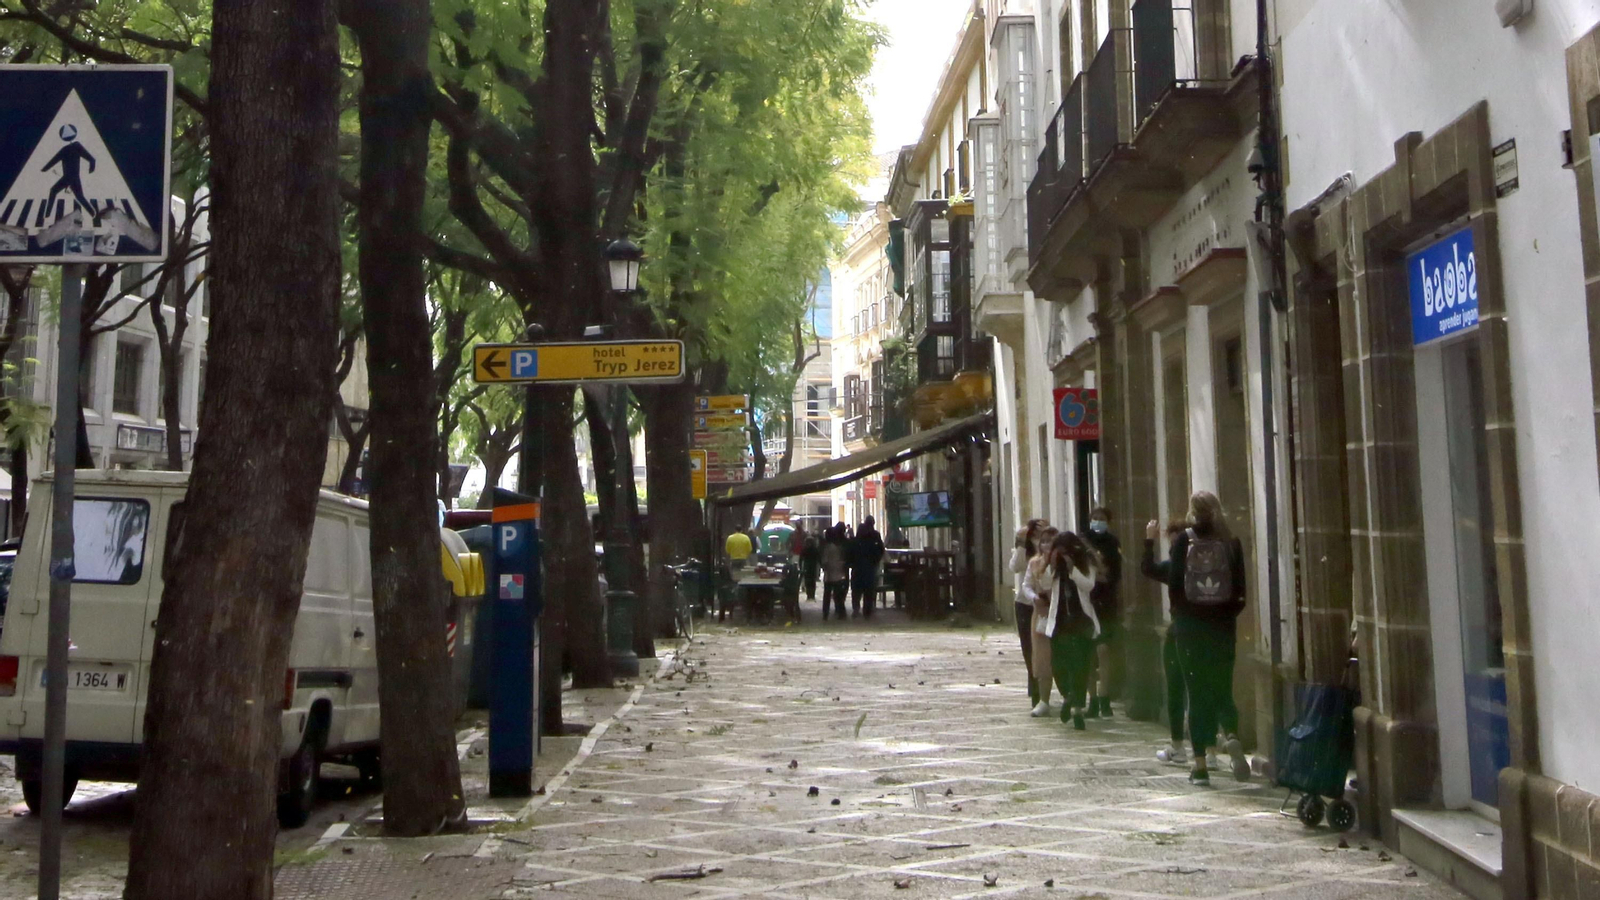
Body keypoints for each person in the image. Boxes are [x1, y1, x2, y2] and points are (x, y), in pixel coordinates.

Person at [1142, 491, 1250, 785]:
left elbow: (1175, 585)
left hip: (1189, 631)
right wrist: (1224, 616)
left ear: (1192, 511)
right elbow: (1241, 593)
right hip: (1223, 630)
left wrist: (1185, 615)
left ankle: (1200, 766)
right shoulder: (1231, 543)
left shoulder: (1183, 541)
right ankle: (1231, 735)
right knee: (1223, 689)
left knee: (1197, 693)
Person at [1026, 532, 1102, 728]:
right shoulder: (1054, 568)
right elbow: (1043, 584)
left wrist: (1072, 570)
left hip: (1081, 623)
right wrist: (1050, 564)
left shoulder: (1085, 563)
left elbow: (1089, 585)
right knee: (1059, 665)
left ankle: (1077, 710)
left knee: (1080, 667)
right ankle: (1068, 696)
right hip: (1059, 624)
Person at [1083, 507, 1123, 719]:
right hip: (1087, 603)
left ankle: (1105, 696)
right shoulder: (1082, 542)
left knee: (1104, 650)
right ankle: (1093, 699)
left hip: (1106, 603)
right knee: (1090, 653)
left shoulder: (1112, 543)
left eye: (1102, 519)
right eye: (1095, 519)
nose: (1098, 522)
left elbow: (1114, 576)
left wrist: (1101, 574)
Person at [1010, 519, 1049, 710]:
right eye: (1036, 532)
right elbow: (1015, 567)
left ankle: (1046, 693)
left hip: (1048, 605)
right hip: (1025, 604)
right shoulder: (1026, 551)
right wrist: (1020, 542)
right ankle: (1035, 692)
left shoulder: (1051, 550)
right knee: (1029, 649)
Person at [1019, 525, 1059, 715]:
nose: (1046, 545)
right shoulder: (1034, 563)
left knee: (1062, 655)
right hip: (1041, 613)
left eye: (1050, 541)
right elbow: (1026, 585)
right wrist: (1035, 597)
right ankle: (1044, 700)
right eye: (1043, 541)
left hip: (1060, 613)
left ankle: (1070, 697)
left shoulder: (1064, 563)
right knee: (1042, 657)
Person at [847, 515, 887, 618]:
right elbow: (881, 549)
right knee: (868, 589)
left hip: (858, 567)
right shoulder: (875, 535)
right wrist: (876, 560)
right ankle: (867, 610)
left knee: (856, 589)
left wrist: (852, 563)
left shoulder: (858, 537)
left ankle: (856, 609)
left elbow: (851, 551)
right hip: (870, 566)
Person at [820, 523, 849, 621]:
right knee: (838, 594)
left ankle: (825, 613)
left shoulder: (827, 547)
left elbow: (824, 561)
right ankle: (841, 612)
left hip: (829, 574)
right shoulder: (839, 547)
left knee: (827, 595)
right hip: (838, 573)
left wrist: (825, 567)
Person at [800, 526, 822, 602]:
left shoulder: (805, 549)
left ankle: (809, 595)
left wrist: (800, 567)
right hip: (813, 566)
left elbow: (801, 558)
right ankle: (811, 595)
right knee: (812, 581)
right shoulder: (815, 549)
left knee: (808, 581)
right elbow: (819, 557)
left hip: (807, 566)